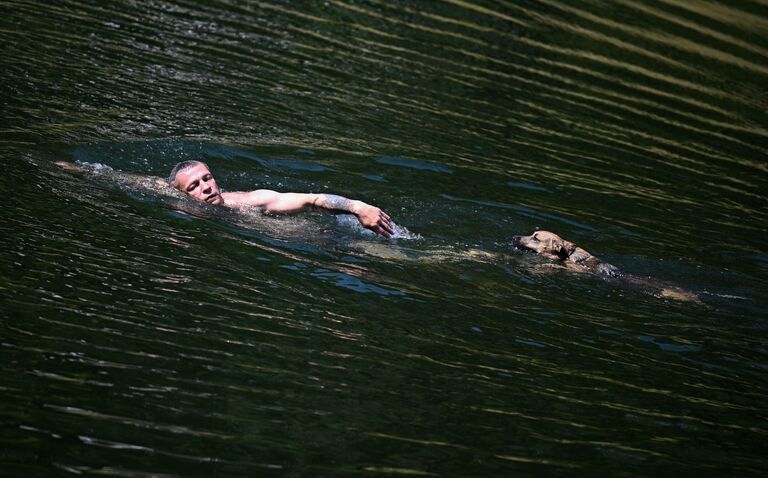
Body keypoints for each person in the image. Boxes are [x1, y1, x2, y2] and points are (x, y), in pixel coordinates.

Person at [170, 160, 395, 237]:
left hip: (333, 238)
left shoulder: (253, 200)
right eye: (194, 186)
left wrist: (358, 207)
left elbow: (311, 200)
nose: (206, 188)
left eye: (207, 179)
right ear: (183, 195)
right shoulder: (183, 210)